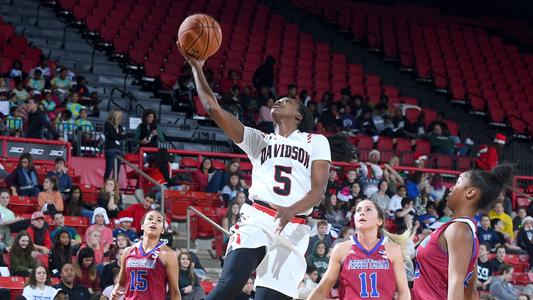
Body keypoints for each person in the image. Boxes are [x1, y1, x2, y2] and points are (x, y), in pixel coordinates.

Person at [180, 48, 332, 300]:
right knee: (227, 286)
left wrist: (292, 208)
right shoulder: (259, 139)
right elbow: (212, 108)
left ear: (299, 114)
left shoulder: (315, 141)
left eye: (288, 100)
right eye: (278, 99)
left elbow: (319, 190)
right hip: (258, 218)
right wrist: (197, 68)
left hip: (295, 229)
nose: (280, 100)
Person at [412, 164, 513, 299]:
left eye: (458, 183)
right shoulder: (465, 231)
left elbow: (457, 283)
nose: (451, 188)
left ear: (470, 192)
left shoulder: (459, 230)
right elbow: (471, 292)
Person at [307, 200, 410, 299]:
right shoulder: (341, 249)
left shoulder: (393, 250)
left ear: (379, 221)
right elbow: (323, 288)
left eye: (368, 210)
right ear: (355, 219)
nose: (362, 213)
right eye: (358, 210)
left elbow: (404, 292)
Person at [110, 210, 180, 300]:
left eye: (158, 220)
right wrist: (115, 292)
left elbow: (174, 292)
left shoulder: (168, 254)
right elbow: (121, 283)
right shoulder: (127, 252)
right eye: (150, 218)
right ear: (142, 226)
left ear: (162, 230)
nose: (154, 221)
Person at [103, 109, 126, 180]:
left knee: (117, 171)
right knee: (109, 169)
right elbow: (111, 135)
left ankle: (115, 187)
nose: (120, 118)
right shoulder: (108, 124)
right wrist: (119, 135)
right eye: (119, 116)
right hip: (110, 149)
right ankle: (105, 184)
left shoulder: (120, 127)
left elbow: (124, 136)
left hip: (118, 150)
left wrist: (118, 135)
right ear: (114, 116)